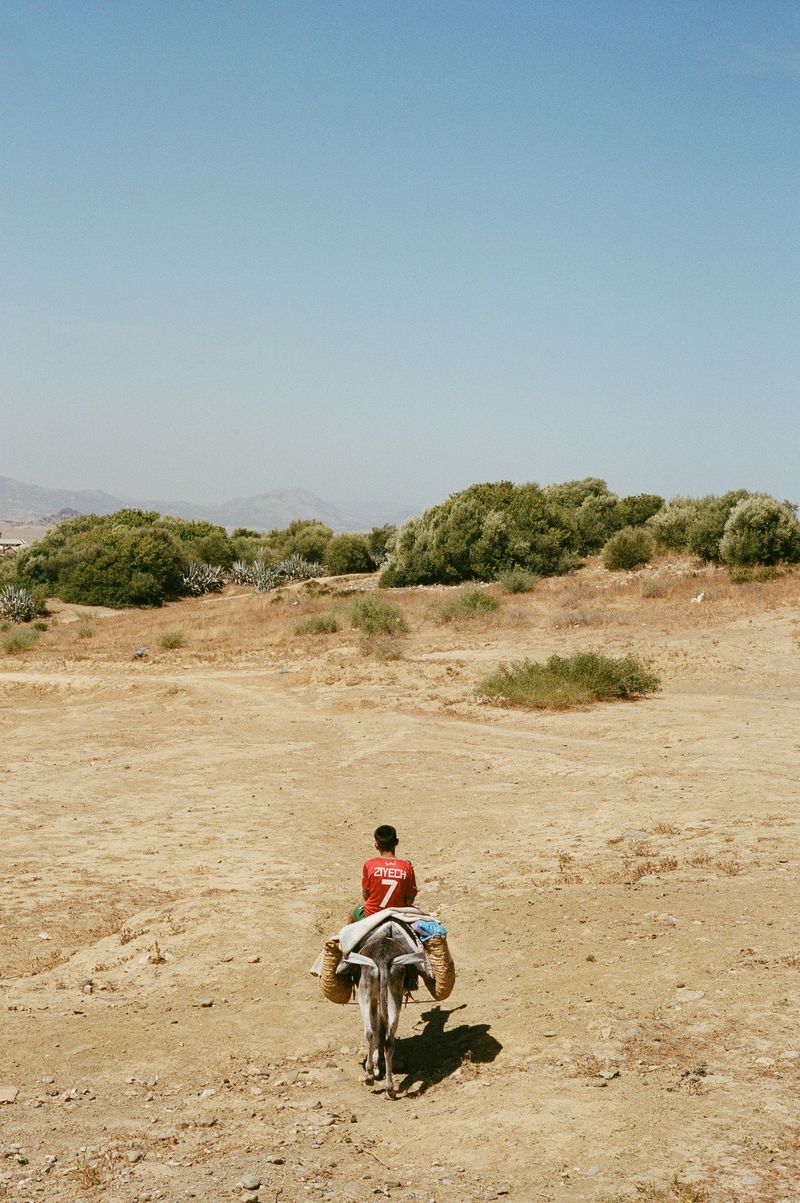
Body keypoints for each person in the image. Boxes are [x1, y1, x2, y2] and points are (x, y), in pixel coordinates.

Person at [350, 824, 418, 923]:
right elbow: (409, 901)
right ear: (396, 842)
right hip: (397, 916)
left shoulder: (370, 865)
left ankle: (344, 937)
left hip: (372, 914)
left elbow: (366, 896)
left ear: (376, 845)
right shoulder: (407, 867)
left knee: (352, 914)